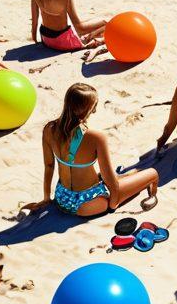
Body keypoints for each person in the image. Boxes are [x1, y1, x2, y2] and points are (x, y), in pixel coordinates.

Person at [30, 83, 159, 216]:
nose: (95, 111)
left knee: (113, 177)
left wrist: (47, 198)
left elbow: (49, 165)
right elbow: (109, 178)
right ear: (86, 109)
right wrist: (113, 204)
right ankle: (144, 180)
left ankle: (129, 175)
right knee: (152, 173)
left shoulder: (49, 129)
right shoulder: (96, 137)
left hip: (62, 198)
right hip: (88, 204)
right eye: (93, 107)